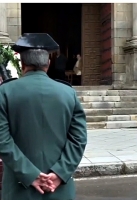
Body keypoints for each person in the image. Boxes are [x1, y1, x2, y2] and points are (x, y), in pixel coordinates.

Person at [0, 33, 87, 200]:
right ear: (48, 63)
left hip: (19, 189)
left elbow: (2, 140)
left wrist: (30, 174)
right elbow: (79, 138)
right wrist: (60, 173)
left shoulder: (5, 92)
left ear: (22, 63)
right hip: (59, 188)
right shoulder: (68, 93)